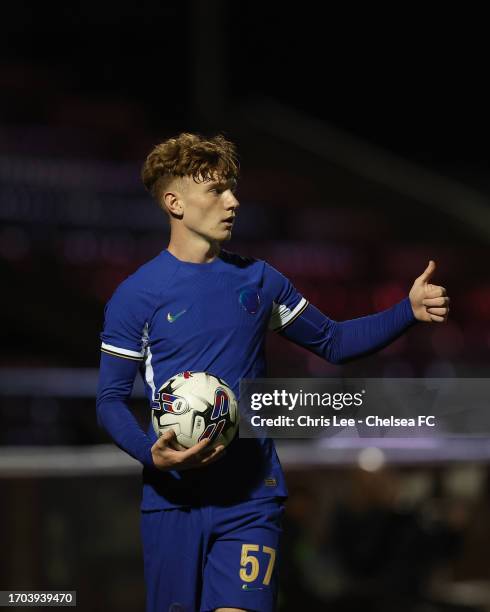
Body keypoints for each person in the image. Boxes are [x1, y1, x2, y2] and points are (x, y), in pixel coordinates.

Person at [96, 132, 450, 612]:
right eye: (217, 190)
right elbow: (110, 400)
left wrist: (405, 310)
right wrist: (150, 454)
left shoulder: (260, 281)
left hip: (252, 497)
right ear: (175, 203)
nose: (233, 201)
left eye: (232, 188)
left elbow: (334, 342)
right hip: (174, 503)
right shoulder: (136, 296)